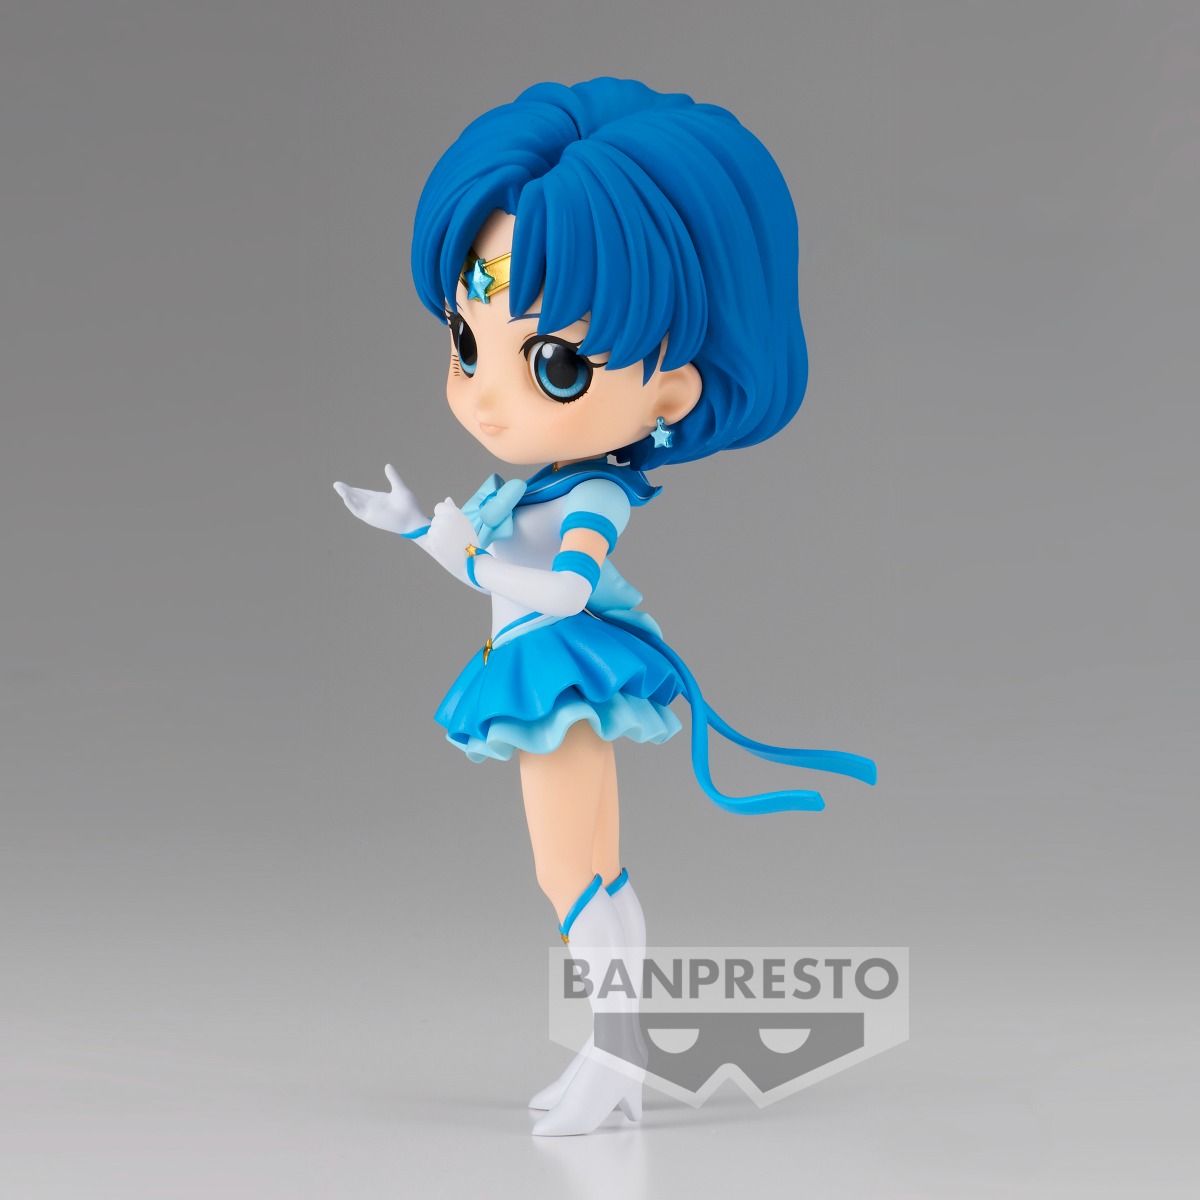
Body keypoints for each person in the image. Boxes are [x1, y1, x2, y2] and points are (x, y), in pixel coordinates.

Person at [333, 76, 876, 1136]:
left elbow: (568, 588)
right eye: (467, 342)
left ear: (670, 391)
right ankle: (613, 1057)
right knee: (578, 872)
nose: (488, 397)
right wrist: (415, 529)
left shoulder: (591, 495)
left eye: (556, 365)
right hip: (538, 668)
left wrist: (463, 556)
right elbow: (488, 563)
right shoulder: (532, 488)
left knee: (577, 873)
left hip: (563, 674)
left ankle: (618, 1056)